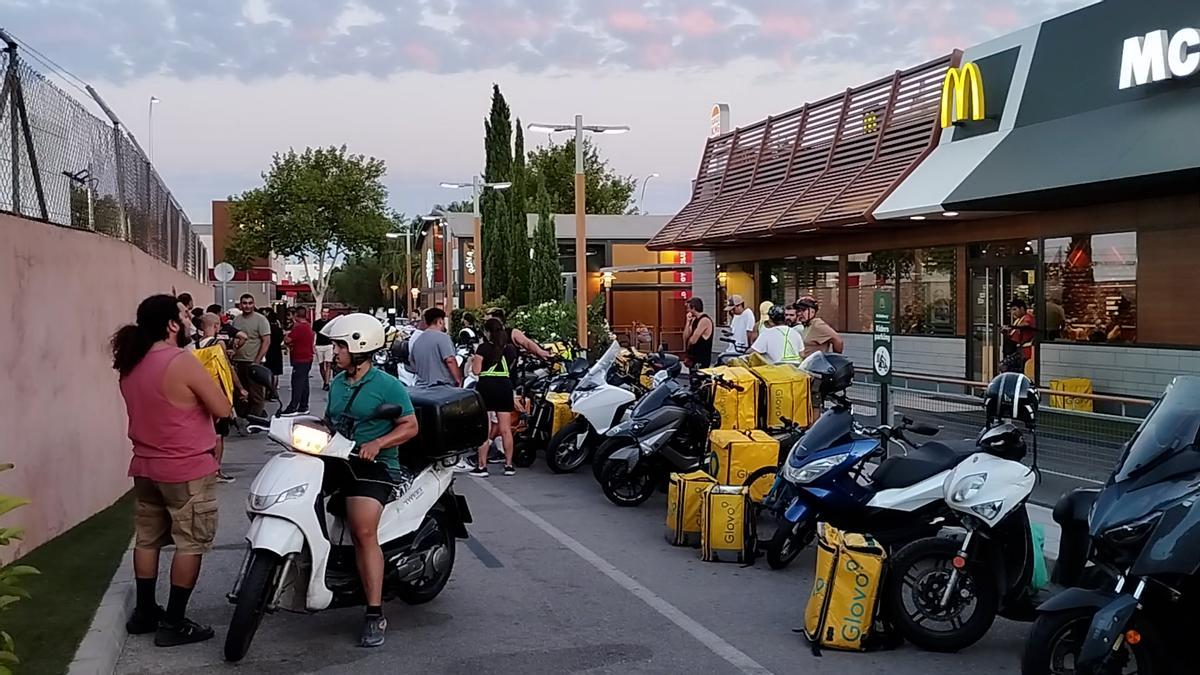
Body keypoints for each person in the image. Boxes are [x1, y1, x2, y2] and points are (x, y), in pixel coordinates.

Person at [113, 295, 231, 646]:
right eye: (183, 314)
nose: (189, 317)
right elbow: (222, 408)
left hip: (145, 466)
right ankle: (175, 622)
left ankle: (146, 611)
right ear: (172, 325)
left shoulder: (130, 363)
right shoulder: (182, 361)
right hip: (186, 467)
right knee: (191, 542)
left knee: (147, 539)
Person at [321, 313, 419, 647]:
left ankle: (374, 613)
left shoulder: (387, 385)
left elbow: (410, 425)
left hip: (374, 466)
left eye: (339, 345)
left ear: (360, 346)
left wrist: (377, 443)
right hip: (336, 459)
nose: (334, 351)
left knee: (363, 530)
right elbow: (330, 421)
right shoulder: (337, 382)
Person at [196, 313, 248, 483]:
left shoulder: (193, 345)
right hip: (218, 394)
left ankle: (202, 468)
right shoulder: (218, 345)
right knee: (218, 435)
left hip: (199, 395)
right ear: (217, 326)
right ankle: (215, 471)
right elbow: (227, 369)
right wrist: (240, 388)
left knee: (203, 433)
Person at [469, 318, 520, 478]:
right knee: (505, 429)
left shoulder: (483, 348)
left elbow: (476, 371)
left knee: (485, 429)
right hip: (504, 387)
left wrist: (473, 361)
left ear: (487, 332)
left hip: (486, 387)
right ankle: (509, 465)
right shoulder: (510, 349)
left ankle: (482, 466)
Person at [231, 294, 271, 418]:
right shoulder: (236, 320)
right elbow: (233, 338)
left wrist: (257, 361)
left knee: (256, 394)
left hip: (253, 362)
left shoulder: (261, 319)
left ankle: (256, 419)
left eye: (249, 303)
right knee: (239, 393)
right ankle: (242, 418)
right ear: (240, 305)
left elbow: (266, 341)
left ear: (253, 304)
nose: (247, 306)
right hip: (238, 362)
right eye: (244, 303)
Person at [409, 307, 462, 386]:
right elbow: (450, 360)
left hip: (421, 387)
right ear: (440, 321)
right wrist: (459, 380)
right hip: (442, 388)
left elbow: (412, 363)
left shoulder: (418, 341)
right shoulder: (443, 338)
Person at [283, 309, 316, 414]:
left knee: (297, 383)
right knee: (304, 382)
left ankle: (293, 406)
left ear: (296, 315)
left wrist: (286, 335)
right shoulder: (307, 326)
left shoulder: (299, 328)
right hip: (307, 358)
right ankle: (303, 405)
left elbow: (287, 340)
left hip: (300, 359)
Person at [485, 308, 552, 359]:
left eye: (488, 321)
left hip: (510, 374)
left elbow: (527, 343)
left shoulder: (512, 333)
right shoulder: (486, 336)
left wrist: (539, 352)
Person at [1001, 298, 1036, 373]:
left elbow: (1027, 323)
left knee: (1004, 366)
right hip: (1015, 351)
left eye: (1014, 309)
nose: (1013, 312)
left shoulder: (1027, 317)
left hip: (1023, 353)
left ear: (1022, 308)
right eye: (1011, 310)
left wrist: (1015, 327)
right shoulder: (1018, 320)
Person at [682, 297, 714, 370]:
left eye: (688, 308)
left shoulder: (704, 320)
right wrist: (688, 322)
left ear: (693, 308)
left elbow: (693, 340)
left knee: (698, 379)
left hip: (701, 359)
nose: (687, 311)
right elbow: (685, 337)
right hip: (693, 358)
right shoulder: (694, 320)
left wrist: (688, 346)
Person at [312, 308, 335, 391]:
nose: (325, 314)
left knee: (328, 364)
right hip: (319, 345)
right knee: (321, 365)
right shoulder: (316, 323)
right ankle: (325, 380)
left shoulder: (330, 323)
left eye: (326, 312)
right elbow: (314, 334)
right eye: (323, 312)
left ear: (328, 314)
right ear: (321, 313)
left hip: (329, 345)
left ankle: (327, 383)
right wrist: (313, 345)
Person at [264, 309, 285, 390]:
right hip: (277, 350)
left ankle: (268, 389)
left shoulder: (267, 329)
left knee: (268, 370)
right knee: (276, 372)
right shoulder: (278, 330)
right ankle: (274, 390)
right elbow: (281, 340)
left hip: (268, 350)